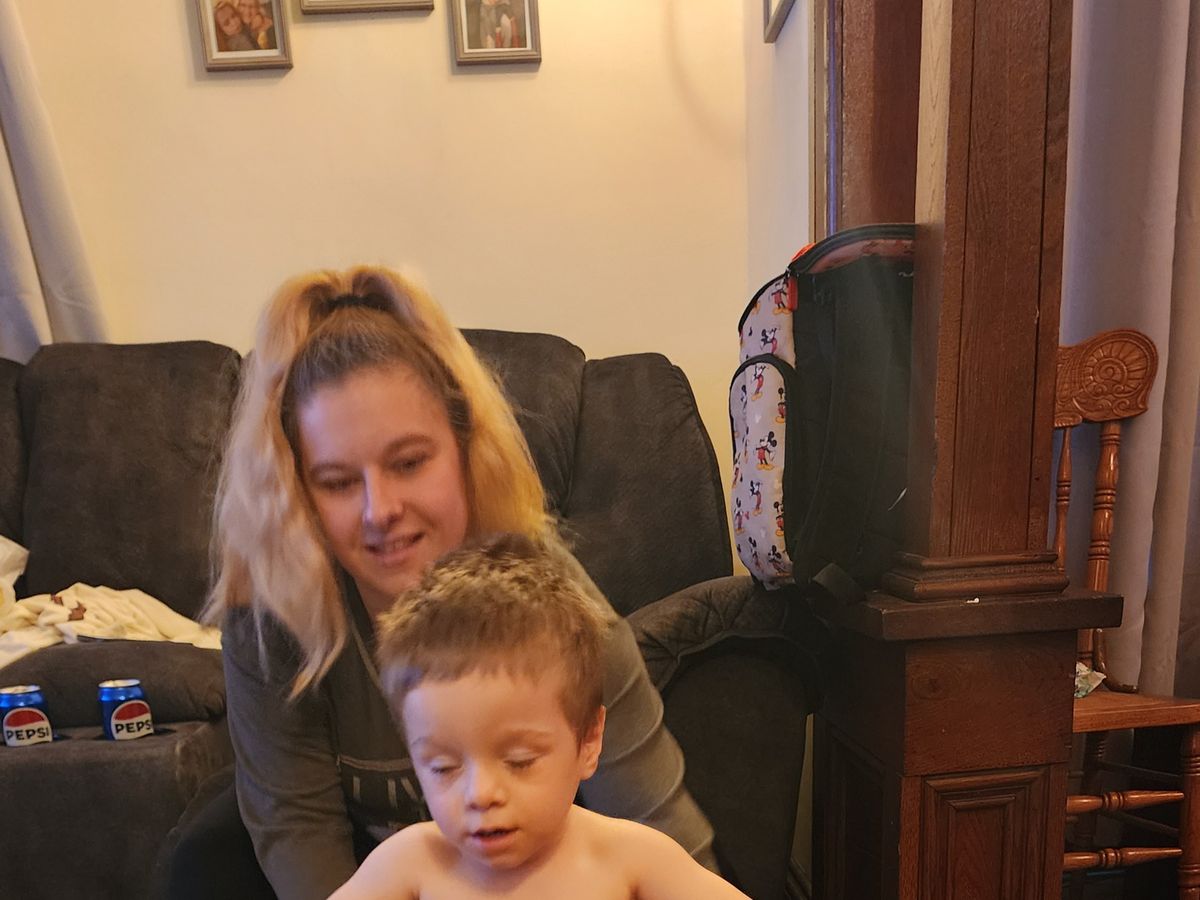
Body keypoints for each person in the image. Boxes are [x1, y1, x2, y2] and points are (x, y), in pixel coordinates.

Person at [165, 266, 716, 899]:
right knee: (205, 857)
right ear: (301, 493)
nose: (379, 510)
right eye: (338, 482)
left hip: (542, 864)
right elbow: (298, 831)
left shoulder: (555, 607)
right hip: (364, 871)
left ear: (465, 448)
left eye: (408, 463)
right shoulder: (272, 613)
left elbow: (662, 834)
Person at [330, 534, 748, 900]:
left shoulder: (632, 860)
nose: (480, 794)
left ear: (588, 741)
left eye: (520, 761)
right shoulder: (410, 864)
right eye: (443, 767)